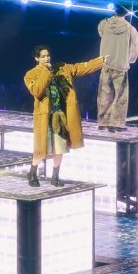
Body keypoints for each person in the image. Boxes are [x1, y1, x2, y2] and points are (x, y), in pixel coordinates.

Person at [22, 45, 103, 187]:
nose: (47, 58)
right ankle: (33, 173)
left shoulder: (62, 68)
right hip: (44, 117)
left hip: (60, 115)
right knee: (41, 149)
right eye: (43, 56)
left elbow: (81, 67)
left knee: (60, 148)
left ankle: (55, 176)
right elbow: (37, 91)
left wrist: (100, 61)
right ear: (37, 59)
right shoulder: (30, 74)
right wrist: (46, 71)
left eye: (48, 55)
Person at [95, 9, 138, 131]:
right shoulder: (131, 29)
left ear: (114, 11)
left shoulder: (103, 24)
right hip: (120, 66)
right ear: (127, 13)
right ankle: (116, 124)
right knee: (120, 96)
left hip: (105, 63)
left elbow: (101, 34)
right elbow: (134, 49)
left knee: (104, 93)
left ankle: (103, 122)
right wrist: (128, 60)